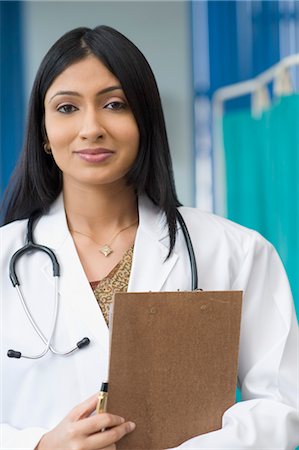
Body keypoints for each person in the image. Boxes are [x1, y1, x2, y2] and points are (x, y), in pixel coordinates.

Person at [0, 25, 298, 450]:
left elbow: (283, 404)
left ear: (145, 120)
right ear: (43, 133)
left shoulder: (234, 252)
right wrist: (40, 445)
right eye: (67, 108)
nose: (91, 128)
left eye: (115, 104)